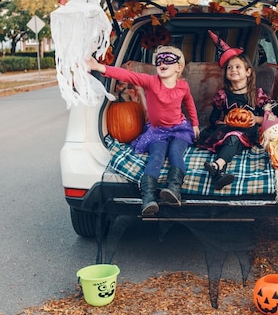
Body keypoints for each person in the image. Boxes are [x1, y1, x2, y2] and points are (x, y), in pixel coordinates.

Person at [85, 46, 200, 215]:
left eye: (168, 59)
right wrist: (99, 67)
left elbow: (189, 104)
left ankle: (173, 189)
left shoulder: (183, 86)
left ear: (179, 67)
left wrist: (195, 125)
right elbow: (128, 75)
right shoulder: (151, 81)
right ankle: (148, 198)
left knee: (176, 153)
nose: (162, 62)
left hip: (179, 129)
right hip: (157, 131)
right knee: (156, 157)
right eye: (159, 60)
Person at [196, 30, 270, 189]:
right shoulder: (223, 95)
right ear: (226, 73)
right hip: (226, 130)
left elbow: (270, 117)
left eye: (238, 67)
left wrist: (255, 119)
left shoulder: (257, 95)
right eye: (230, 67)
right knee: (231, 136)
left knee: (235, 137)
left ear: (248, 72)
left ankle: (217, 165)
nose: (233, 70)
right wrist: (221, 121)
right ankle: (218, 175)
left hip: (248, 132)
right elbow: (213, 119)